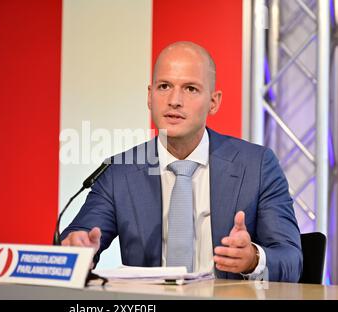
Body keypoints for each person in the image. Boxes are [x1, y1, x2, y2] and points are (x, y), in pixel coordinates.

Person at [61, 41, 302, 282]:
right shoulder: (119, 172)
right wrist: (78, 250)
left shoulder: (257, 166)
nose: (174, 100)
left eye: (190, 89)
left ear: (214, 102)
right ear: (149, 96)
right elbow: (77, 238)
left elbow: (291, 259)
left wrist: (253, 259)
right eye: (164, 86)